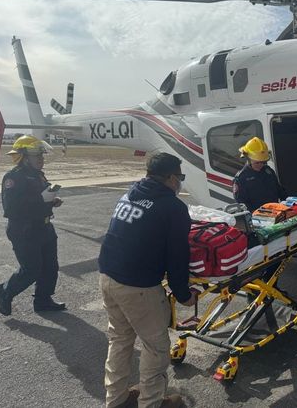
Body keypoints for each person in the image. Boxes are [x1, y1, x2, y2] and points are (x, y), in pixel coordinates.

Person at [98, 152, 196, 408]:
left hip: (108, 276)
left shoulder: (130, 194)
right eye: (180, 177)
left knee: (120, 340)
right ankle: (151, 403)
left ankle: (116, 400)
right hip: (138, 286)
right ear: (171, 178)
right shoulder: (173, 207)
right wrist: (184, 294)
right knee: (156, 348)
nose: (180, 183)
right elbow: (177, 257)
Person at [0, 135, 66, 316]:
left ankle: (43, 300)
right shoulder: (14, 177)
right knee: (31, 270)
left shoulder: (38, 175)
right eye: (37, 155)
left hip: (44, 227)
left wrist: (52, 201)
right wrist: (41, 199)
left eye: (42, 155)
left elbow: (42, 197)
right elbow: (11, 208)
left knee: (50, 267)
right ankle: (4, 291)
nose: (41, 159)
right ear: (24, 157)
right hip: (25, 230)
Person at [233, 136, 286, 212]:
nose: (260, 165)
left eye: (263, 162)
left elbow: (280, 191)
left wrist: (288, 203)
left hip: (275, 212)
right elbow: (242, 204)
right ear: (248, 159)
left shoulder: (268, 171)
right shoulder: (241, 178)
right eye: (257, 162)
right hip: (257, 216)